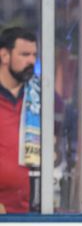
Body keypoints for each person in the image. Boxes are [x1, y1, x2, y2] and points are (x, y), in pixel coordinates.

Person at [0, 26, 38, 214]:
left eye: (34, 55)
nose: (31, 61)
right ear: (5, 56)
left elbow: (81, 131)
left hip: (31, 211)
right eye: (24, 54)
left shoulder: (41, 96)